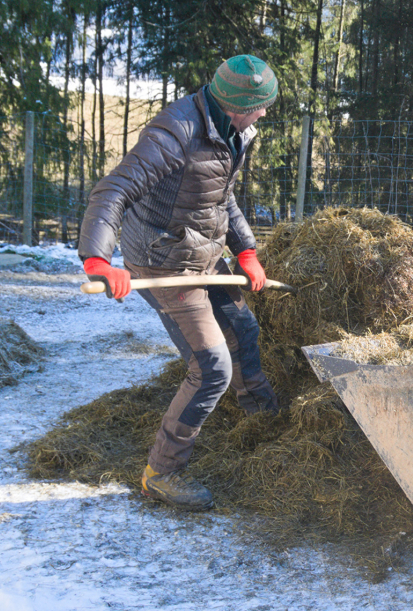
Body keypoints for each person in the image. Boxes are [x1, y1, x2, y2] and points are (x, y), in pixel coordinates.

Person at [78, 55, 280, 511]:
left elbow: (219, 196)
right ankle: (161, 473)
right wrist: (98, 258)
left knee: (244, 332)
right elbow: (113, 191)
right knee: (211, 368)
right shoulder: (175, 133)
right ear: (236, 106)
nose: (265, 113)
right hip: (161, 260)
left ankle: (262, 419)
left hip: (204, 252)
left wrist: (245, 250)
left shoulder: (237, 131)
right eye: (260, 106)